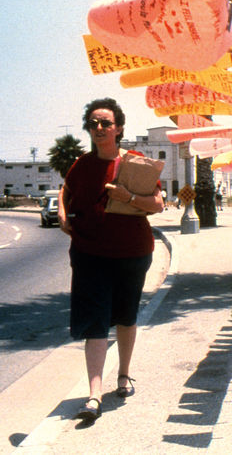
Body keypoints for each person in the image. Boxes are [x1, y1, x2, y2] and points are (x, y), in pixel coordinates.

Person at [57, 98, 164, 422]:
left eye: (105, 123)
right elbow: (66, 188)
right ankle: (93, 395)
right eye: (93, 123)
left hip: (132, 253)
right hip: (89, 253)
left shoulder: (136, 162)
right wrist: (62, 213)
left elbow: (158, 204)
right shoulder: (82, 164)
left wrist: (128, 197)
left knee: (127, 317)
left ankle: (124, 375)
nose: (99, 128)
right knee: (96, 320)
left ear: (118, 128)